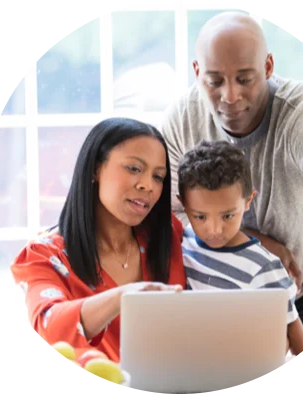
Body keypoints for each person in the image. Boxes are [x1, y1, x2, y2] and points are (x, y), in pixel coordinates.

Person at [159, 11, 303, 345]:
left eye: (245, 79)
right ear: (197, 72)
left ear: (269, 67)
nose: (230, 96)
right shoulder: (182, 119)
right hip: (222, 286)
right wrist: (250, 240)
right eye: (214, 81)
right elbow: (168, 213)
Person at [10, 117, 186, 363]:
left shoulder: (168, 232)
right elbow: (48, 326)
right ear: (95, 168)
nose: (148, 185)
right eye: (134, 168)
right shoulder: (43, 256)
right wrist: (123, 297)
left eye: (158, 176)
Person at [177, 139, 303, 356]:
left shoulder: (264, 266)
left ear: (248, 201)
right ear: (183, 204)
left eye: (228, 215)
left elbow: (292, 325)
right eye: (200, 216)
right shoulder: (184, 241)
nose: (214, 230)